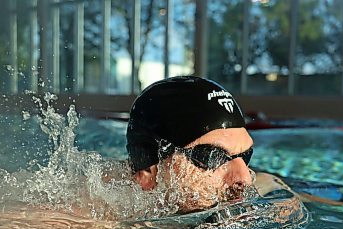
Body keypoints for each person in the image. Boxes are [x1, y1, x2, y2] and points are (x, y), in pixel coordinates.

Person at [124, 75, 289, 213]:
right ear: (147, 170)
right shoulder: (102, 222)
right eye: (212, 156)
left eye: (245, 156)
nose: (245, 179)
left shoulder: (265, 186)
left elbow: (269, 181)